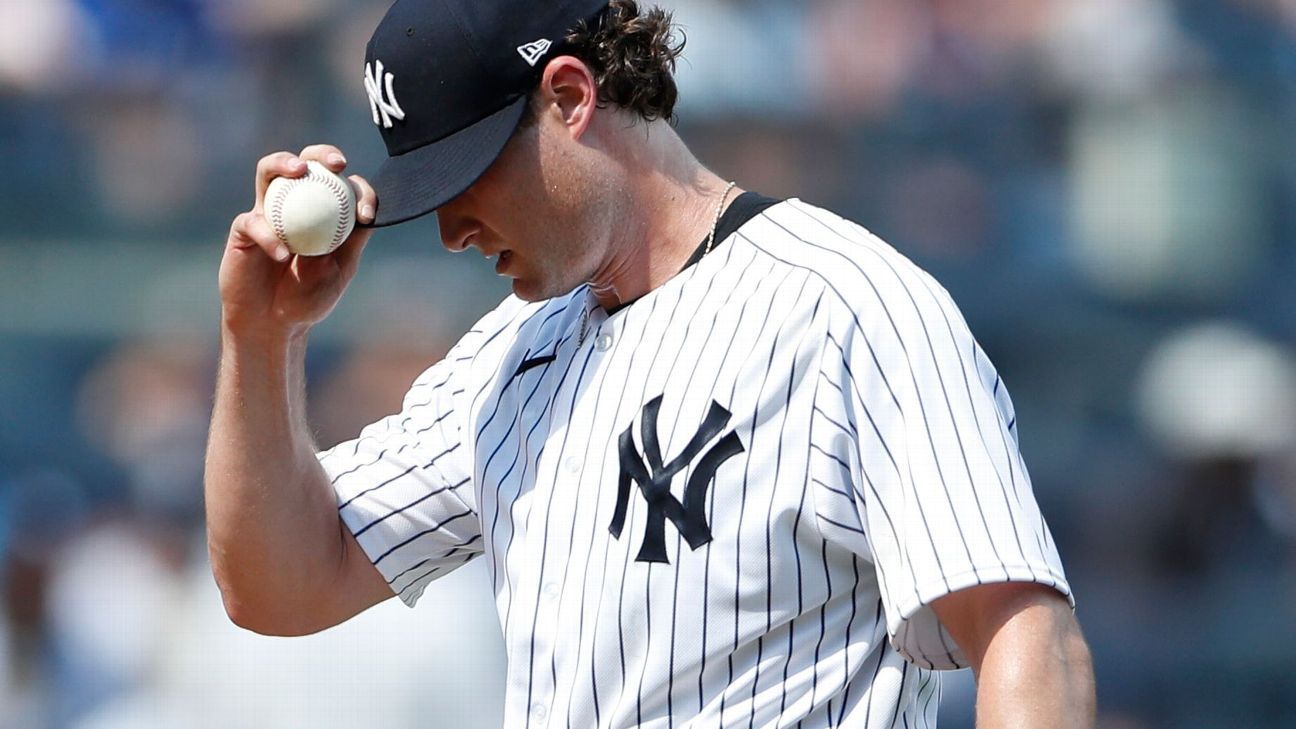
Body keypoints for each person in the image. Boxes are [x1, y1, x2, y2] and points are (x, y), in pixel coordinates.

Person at [205, 0, 1096, 726]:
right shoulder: (508, 357)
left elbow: (1025, 633)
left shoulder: (843, 304)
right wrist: (262, 337)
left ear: (568, 97)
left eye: (465, 177)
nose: (449, 230)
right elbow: (281, 584)